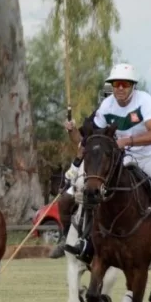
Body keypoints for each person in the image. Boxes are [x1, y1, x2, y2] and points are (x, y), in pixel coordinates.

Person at [84, 62, 151, 266]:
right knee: (99, 187)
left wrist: (127, 141)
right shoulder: (107, 105)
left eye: (124, 84)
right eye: (116, 84)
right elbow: (96, 135)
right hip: (127, 155)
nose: (119, 88)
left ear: (132, 86)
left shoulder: (145, 102)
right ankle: (89, 241)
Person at [49, 82, 114, 259]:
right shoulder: (97, 117)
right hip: (94, 168)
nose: (109, 100)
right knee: (65, 200)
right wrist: (71, 130)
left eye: (111, 96)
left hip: (117, 165)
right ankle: (66, 238)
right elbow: (80, 140)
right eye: (107, 96)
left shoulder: (129, 114)